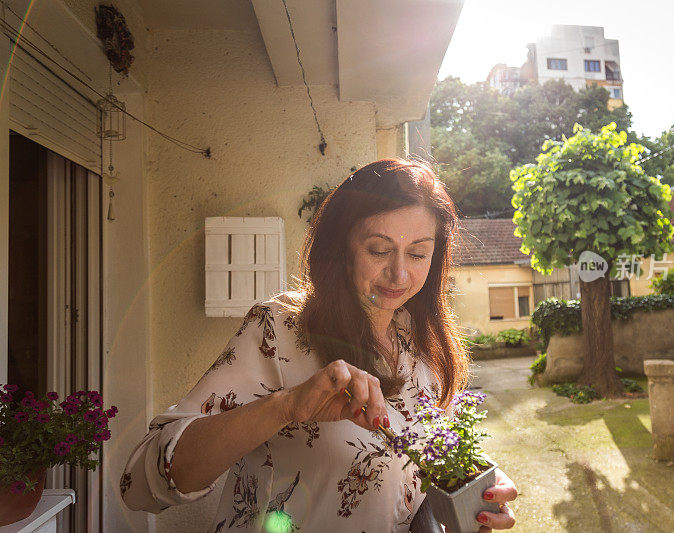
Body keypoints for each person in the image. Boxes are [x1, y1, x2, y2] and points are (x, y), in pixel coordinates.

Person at [120, 159, 517, 532]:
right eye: (378, 250)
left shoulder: (422, 339)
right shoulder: (279, 330)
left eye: (418, 253)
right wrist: (287, 406)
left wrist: (477, 487)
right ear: (341, 249)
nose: (399, 273)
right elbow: (139, 483)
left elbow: (419, 471)